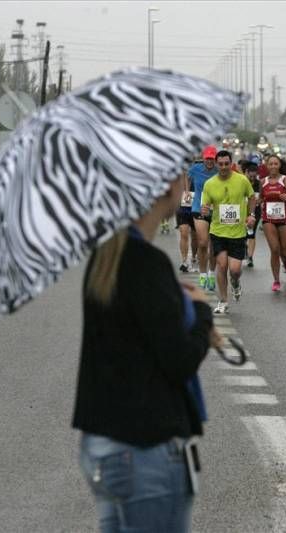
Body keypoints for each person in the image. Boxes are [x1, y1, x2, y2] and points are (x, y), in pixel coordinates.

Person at [73, 173, 219, 532]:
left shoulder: (107, 255)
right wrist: (201, 315)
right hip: (146, 449)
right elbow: (180, 360)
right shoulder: (146, 263)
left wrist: (171, 302)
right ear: (168, 185)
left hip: (104, 444)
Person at [202, 150, 257, 314]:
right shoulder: (210, 184)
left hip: (237, 233)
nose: (224, 167)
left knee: (234, 270)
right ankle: (223, 300)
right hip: (218, 231)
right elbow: (205, 205)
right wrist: (204, 210)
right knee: (222, 265)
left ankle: (235, 283)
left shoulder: (241, 180)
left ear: (231, 163)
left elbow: (252, 197)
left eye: (227, 164)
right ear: (217, 165)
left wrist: (251, 215)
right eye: (221, 164)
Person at [260, 154, 286, 291]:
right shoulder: (263, 181)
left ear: (279, 165)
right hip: (268, 219)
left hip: (284, 220)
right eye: (271, 164)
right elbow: (261, 198)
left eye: (276, 164)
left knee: (285, 251)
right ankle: (276, 280)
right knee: (274, 249)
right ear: (267, 166)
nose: (273, 166)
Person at [189, 145, 219, 291]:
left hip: (216, 211)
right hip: (198, 208)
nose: (209, 161)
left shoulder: (220, 170)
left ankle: (212, 273)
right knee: (202, 242)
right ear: (203, 158)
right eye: (207, 158)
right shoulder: (195, 168)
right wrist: (186, 190)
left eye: (212, 159)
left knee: (213, 245)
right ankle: (202, 273)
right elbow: (184, 175)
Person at [242, 155, 262, 268]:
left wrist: (259, 200)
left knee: (251, 233)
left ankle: (250, 257)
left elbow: (262, 196)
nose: (253, 178)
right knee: (243, 234)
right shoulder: (242, 182)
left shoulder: (259, 184)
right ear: (247, 173)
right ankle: (244, 247)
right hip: (242, 211)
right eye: (251, 175)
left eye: (255, 176)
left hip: (255, 212)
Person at [177, 176, 198, 273]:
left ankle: (193, 256)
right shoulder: (181, 170)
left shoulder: (200, 170)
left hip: (195, 206)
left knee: (195, 236)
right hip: (183, 207)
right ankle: (184, 261)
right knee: (184, 233)